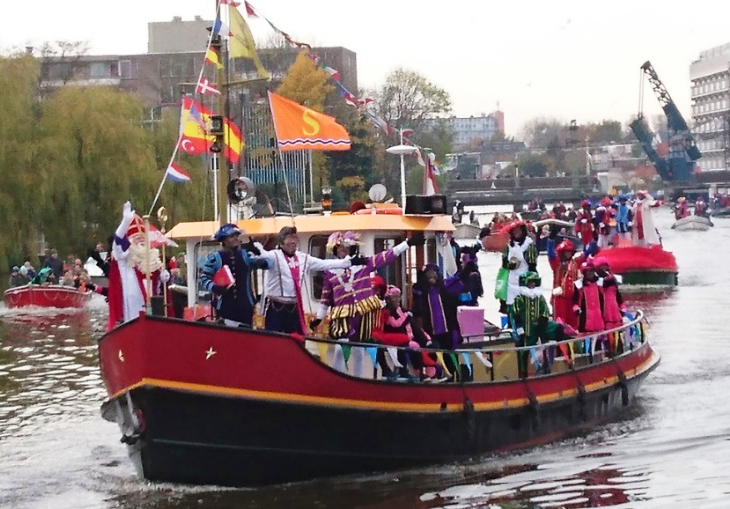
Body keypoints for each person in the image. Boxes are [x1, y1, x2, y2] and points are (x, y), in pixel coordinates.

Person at [311, 231, 423, 341]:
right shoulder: (330, 272)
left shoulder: (364, 264)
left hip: (363, 314)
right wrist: (319, 318)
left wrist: (407, 244)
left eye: (345, 247)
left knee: (360, 346)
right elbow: (325, 299)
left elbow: (387, 256)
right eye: (338, 248)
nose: (342, 250)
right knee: (341, 346)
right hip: (343, 316)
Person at [258, 226, 360, 335]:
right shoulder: (274, 256)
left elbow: (324, 264)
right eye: (289, 238)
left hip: (294, 307)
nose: (293, 241)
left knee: (297, 340)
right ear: (282, 242)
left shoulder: (303, 258)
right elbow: (262, 257)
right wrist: (257, 249)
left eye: (294, 238)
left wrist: (350, 262)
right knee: (274, 339)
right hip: (276, 307)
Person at [106, 202, 170, 331]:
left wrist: (164, 276)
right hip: (132, 307)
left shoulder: (152, 257)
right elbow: (117, 241)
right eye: (136, 238)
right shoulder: (125, 256)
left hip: (152, 305)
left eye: (142, 238)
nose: (140, 240)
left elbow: (158, 284)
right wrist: (125, 222)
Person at [200, 223, 269, 327]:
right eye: (232, 236)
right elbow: (204, 278)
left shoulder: (245, 255)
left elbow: (267, 264)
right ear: (224, 240)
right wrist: (215, 287)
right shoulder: (215, 258)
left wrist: (261, 259)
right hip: (225, 308)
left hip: (246, 307)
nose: (236, 238)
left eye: (237, 236)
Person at [412, 264, 463, 378]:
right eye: (428, 273)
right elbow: (416, 311)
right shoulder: (420, 292)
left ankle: (452, 378)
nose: (431, 276)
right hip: (430, 332)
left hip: (447, 330)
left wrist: (455, 331)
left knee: (449, 356)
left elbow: (453, 309)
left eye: (433, 273)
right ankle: (434, 378)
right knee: (431, 358)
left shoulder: (444, 289)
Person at [509, 271, 550, 378]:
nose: (532, 285)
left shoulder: (539, 298)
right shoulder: (520, 299)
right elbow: (515, 313)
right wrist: (520, 329)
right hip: (525, 331)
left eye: (533, 283)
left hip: (538, 330)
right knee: (523, 352)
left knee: (542, 348)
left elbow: (545, 310)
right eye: (530, 283)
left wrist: (542, 322)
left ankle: (544, 369)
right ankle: (523, 373)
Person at [501, 221, 538, 311]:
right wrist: (509, 265)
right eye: (514, 231)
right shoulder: (509, 246)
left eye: (518, 231)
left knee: (524, 308)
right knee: (511, 308)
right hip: (511, 282)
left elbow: (533, 266)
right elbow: (504, 264)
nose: (516, 233)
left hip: (525, 281)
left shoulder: (529, 245)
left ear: (523, 231)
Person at [547, 238, 581, 330]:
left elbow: (587, 253)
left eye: (569, 252)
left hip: (572, 298)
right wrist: (550, 240)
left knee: (573, 323)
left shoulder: (575, 263)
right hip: (559, 298)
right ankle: (560, 343)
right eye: (566, 252)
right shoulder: (557, 263)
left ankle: (572, 342)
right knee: (560, 322)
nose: (568, 254)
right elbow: (551, 255)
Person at [572, 261, 605, 333]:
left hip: (598, 316)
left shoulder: (600, 282)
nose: (590, 274)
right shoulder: (579, 285)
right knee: (585, 337)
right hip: (585, 317)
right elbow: (574, 301)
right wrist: (576, 309)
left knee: (599, 337)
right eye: (588, 272)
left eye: (592, 271)